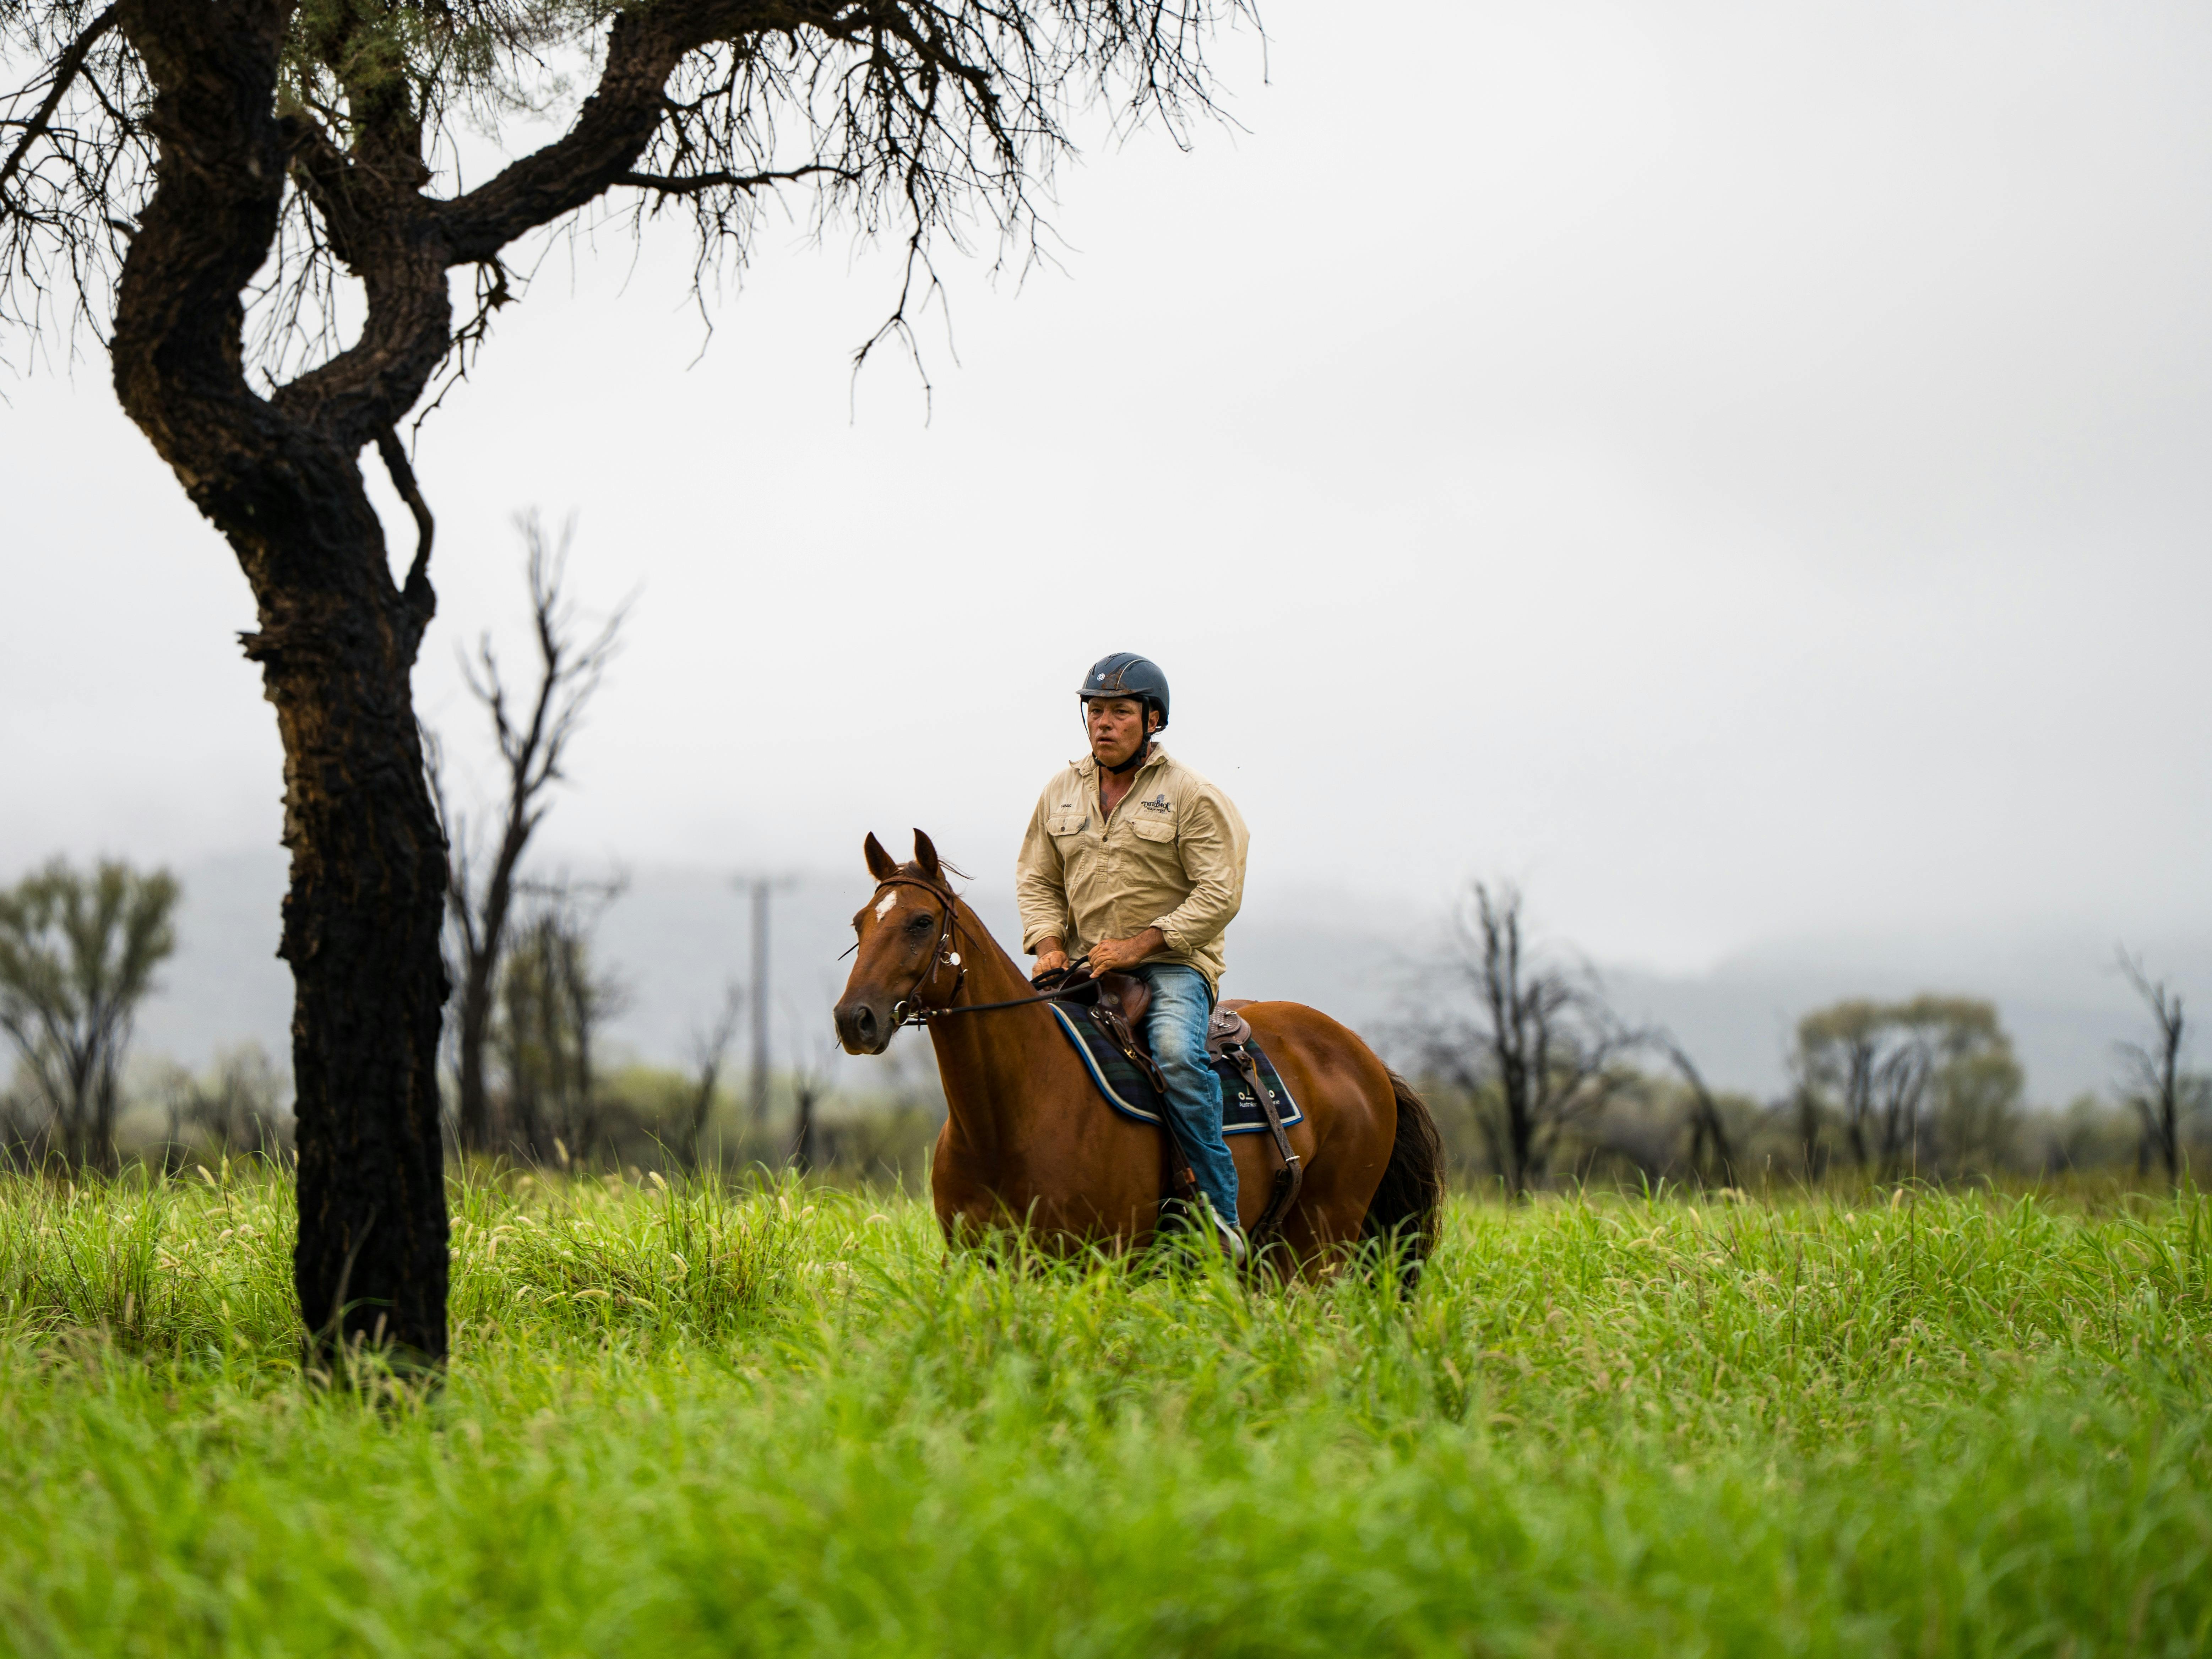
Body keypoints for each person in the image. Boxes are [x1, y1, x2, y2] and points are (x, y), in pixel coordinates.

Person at [1015, 653, 1252, 1255]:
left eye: (1120, 712)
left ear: (1153, 721)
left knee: (1174, 1055)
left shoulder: (1192, 795)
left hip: (1171, 966)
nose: (1103, 723)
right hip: (1082, 967)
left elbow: (1219, 893)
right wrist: (1046, 945)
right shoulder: (1059, 792)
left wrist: (1141, 944)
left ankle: (1219, 1218)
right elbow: (1037, 879)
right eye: (1094, 710)